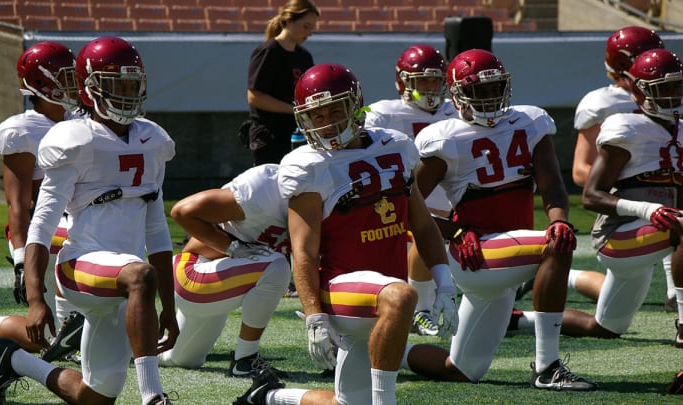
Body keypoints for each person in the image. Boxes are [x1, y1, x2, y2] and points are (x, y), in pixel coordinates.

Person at [235, 62, 459, 405]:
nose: (325, 123)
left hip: (383, 289)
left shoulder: (396, 145)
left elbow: (423, 224)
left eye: (333, 110)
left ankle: (270, 396)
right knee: (401, 296)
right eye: (316, 115)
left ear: (355, 105)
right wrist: (314, 316)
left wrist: (444, 283)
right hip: (340, 289)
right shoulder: (308, 165)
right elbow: (304, 251)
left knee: (349, 403)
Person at [0, 36, 178, 405]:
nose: (125, 94)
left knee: (95, 397)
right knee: (139, 274)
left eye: (131, 85)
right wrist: (36, 298)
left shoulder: (152, 140)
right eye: (114, 85)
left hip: (123, 284)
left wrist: (168, 306)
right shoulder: (75, 138)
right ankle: (154, 396)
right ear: (90, 88)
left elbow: (158, 231)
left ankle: (18, 362)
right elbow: (43, 221)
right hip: (80, 265)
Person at [413, 49, 597, 390]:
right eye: (477, 91)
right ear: (456, 96)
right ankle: (547, 367)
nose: (488, 97)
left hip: (509, 257)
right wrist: (452, 231)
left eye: (494, 88)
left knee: (462, 370)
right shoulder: (447, 138)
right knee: (554, 246)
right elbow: (404, 207)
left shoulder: (529, 122)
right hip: (476, 253)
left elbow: (553, 188)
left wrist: (557, 219)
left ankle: (379, 347)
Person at [519, 48, 683, 342]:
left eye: (677, 87)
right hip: (617, 236)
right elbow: (591, 197)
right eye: (663, 89)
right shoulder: (627, 128)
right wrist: (648, 210)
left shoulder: (680, 131)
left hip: (654, 234)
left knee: (605, 328)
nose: (672, 96)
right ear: (640, 92)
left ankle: (517, 320)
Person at [568, 26, 676, 311]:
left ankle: (673, 291)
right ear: (624, 65)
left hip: (663, 201)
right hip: (627, 209)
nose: (657, 62)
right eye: (648, 57)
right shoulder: (603, 104)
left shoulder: (673, 105)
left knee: (609, 321)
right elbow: (581, 171)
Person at [0, 41, 85, 360]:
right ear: (41, 82)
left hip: (78, 221)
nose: (74, 84)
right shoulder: (21, 130)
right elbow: (18, 204)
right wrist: (21, 257)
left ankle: (75, 326)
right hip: (41, 231)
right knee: (45, 337)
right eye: (65, 77)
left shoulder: (81, 120)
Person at [158, 164, 290, 377]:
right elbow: (181, 211)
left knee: (182, 359)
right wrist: (233, 248)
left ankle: (125, 345)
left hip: (218, 281)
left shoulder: (318, 200)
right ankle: (245, 360)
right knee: (276, 267)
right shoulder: (265, 186)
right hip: (193, 272)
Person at [365, 44, 458, 337]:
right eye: (422, 81)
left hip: (448, 206)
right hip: (396, 207)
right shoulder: (382, 113)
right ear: (403, 81)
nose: (430, 88)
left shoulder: (455, 110)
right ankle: (420, 311)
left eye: (435, 80)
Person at [246, 0, 319, 165]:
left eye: (312, 28)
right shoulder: (268, 52)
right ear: (289, 21)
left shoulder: (304, 56)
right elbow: (254, 97)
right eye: (306, 26)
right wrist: (294, 110)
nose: (310, 32)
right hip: (270, 137)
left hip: (297, 135)